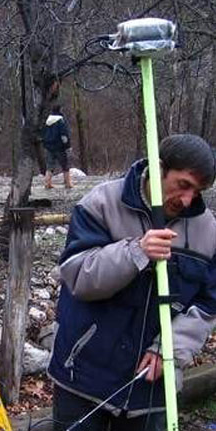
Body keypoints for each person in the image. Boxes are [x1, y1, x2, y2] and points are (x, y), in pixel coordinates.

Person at [48, 134, 216, 430]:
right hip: (83, 377)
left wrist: (169, 348)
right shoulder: (101, 203)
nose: (189, 199)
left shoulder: (207, 231)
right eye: (183, 185)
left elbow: (207, 304)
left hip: (151, 389)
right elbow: (77, 277)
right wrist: (136, 251)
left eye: (198, 191)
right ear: (158, 167)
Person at [42, 106, 72, 189]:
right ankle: (68, 183)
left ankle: (47, 183)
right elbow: (64, 135)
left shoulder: (47, 121)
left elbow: (43, 134)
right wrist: (68, 146)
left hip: (49, 146)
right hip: (60, 147)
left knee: (50, 166)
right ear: (60, 110)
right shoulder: (60, 121)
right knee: (65, 165)